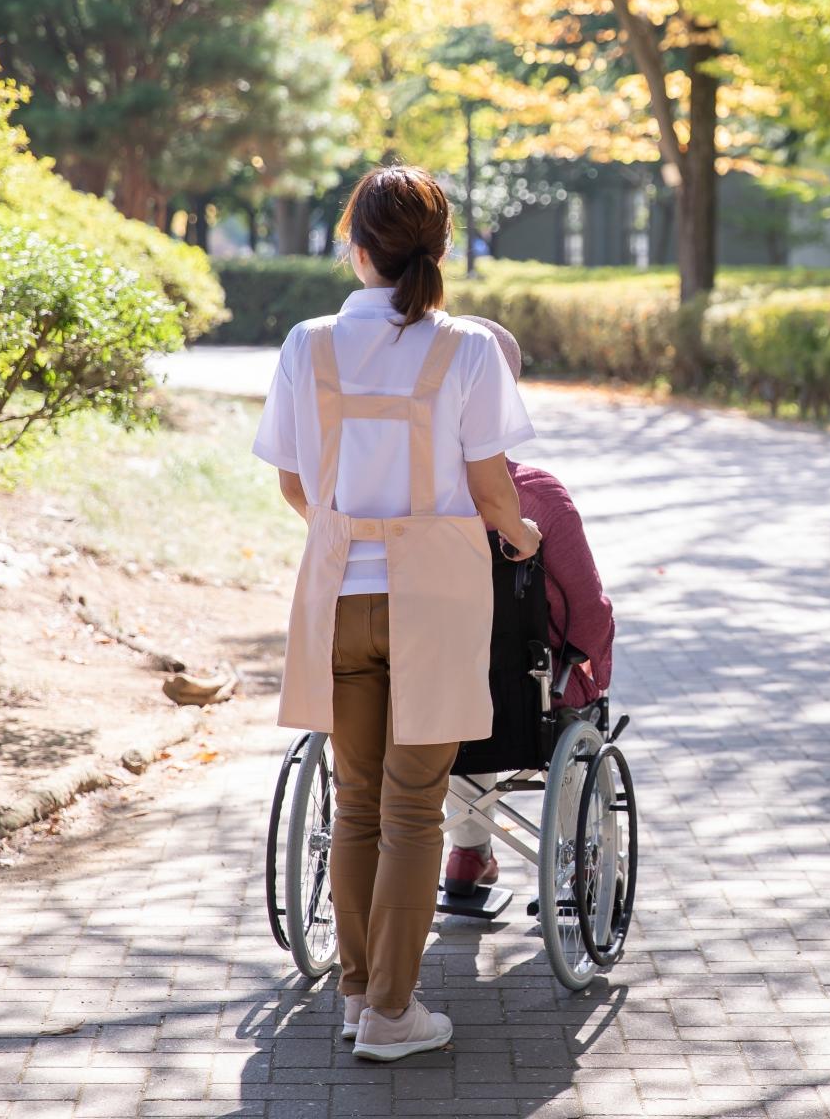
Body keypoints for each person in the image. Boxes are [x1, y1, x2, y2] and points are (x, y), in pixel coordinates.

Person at [253, 165, 539, 1062]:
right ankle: (391, 1013)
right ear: (440, 249)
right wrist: (520, 533)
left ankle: (354, 996)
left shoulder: (309, 343)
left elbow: (295, 481)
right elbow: (493, 485)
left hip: (339, 590)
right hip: (438, 595)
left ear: (357, 245)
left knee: (359, 803)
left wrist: (348, 531)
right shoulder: (469, 350)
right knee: (417, 808)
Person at [442, 319, 615, 894]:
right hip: (522, 694)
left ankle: (467, 856)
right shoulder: (538, 496)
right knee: (555, 699)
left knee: (455, 687)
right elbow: (589, 612)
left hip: (423, 685)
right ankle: (575, 861)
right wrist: (592, 666)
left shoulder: (403, 497)